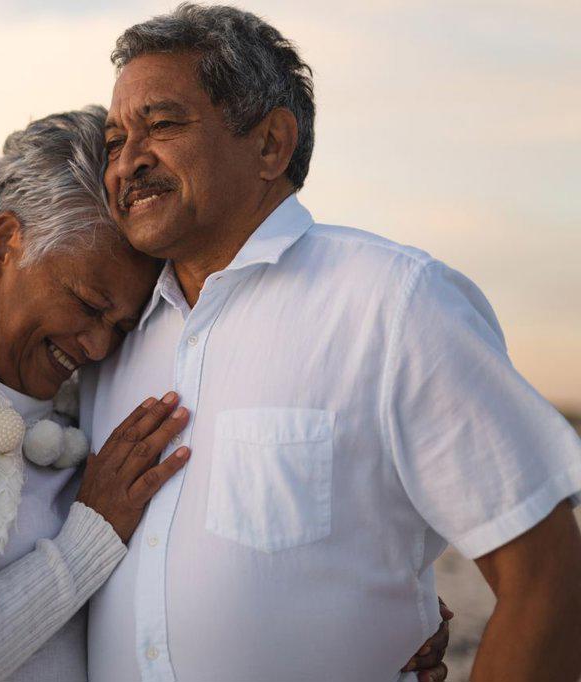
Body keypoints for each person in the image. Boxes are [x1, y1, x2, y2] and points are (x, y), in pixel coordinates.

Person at [0, 107, 449, 681]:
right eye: (86, 303)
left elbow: (195, 554)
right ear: (1, 245)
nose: (96, 345)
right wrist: (91, 536)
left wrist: (367, 627)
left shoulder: (77, 396)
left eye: (123, 322)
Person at [82, 5, 581, 682]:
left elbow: (550, 580)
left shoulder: (395, 303)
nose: (128, 162)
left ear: (270, 145)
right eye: (114, 141)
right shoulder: (105, 335)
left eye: (162, 125)